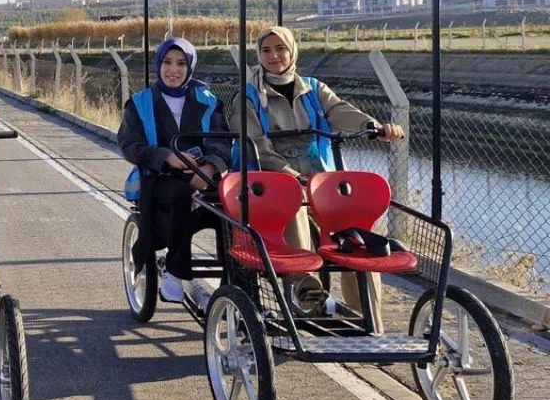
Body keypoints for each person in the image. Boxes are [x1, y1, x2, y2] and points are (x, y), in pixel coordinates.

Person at [230, 26, 405, 333]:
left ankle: (367, 321)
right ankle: (306, 288)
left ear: (292, 51)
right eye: (266, 50)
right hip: (271, 179)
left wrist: (374, 126)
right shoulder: (246, 97)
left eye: (280, 49)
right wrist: (292, 176)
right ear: (258, 55)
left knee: (352, 229)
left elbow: (339, 110)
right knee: (294, 200)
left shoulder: (312, 88)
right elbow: (255, 144)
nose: (274, 56)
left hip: (317, 175)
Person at [117, 38, 232, 303]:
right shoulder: (140, 103)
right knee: (182, 193)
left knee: (236, 206)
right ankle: (176, 271)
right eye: (167, 62)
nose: (174, 70)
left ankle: (234, 285)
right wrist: (165, 155)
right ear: (158, 65)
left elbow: (222, 139)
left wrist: (209, 166)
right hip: (160, 178)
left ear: (190, 67)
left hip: (203, 174)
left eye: (181, 63)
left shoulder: (207, 100)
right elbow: (129, 144)